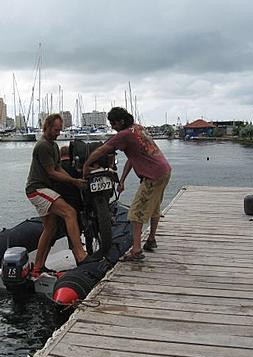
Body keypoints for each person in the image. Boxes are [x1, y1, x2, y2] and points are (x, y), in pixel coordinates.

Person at [83, 107, 171, 261]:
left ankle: (136, 251)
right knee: (154, 207)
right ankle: (151, 240)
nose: (112, 126)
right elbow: (133, 157)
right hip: (164, 171)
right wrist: (122, 180)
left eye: (113, 123)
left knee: (135, 213)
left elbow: (101, 150)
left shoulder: (123, 135)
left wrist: (86, 165)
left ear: (121, 122)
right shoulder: (137, 129)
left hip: (152, 176)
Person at [25, 114, 88, 278]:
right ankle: (80, 254)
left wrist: (75, 177)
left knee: (50, 227)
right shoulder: (43, 146)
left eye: (60, 130)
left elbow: (59, 168)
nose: (58, 133)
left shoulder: (53, 146)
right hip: (37, 189)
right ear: (46, 127)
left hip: (42, 189)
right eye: (55, 129)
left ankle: (38, 268)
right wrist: (73, 181)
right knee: (70, 213)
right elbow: (52, 172)